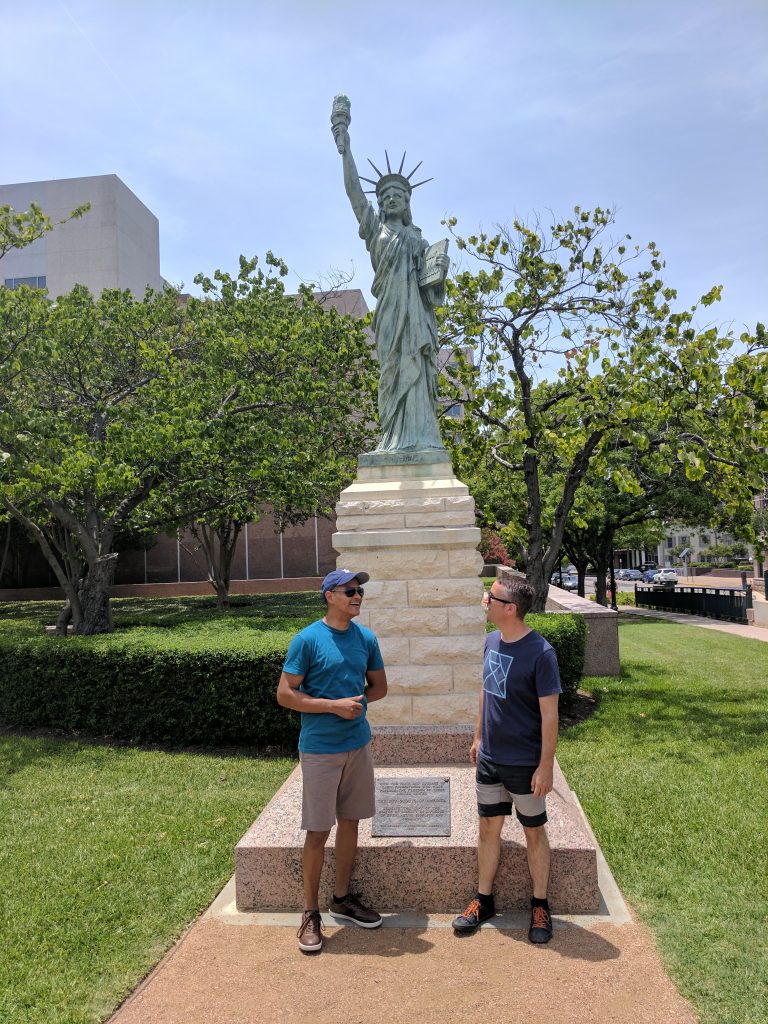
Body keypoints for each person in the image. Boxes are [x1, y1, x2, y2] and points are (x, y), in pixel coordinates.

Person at [276, 568, 388, 954]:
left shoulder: (366, 638)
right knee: (318, 830)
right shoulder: (307, 640)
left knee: (351, 823)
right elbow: (285, 694)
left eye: (360, 591)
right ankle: (310, 913)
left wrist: (356, 704)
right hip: (321, 749)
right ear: (329, 595)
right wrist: (332, 707)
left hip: (358, 745)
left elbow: (379, 687)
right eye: (350, 591)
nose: (358, 596)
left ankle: (342, 898)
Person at [331, 101, 450, 453]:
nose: (392, 198)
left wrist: (437, 276)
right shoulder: (374, 230)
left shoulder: (418, 239)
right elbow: (354, 193)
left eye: (399, 194)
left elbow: (430, 290)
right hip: (389, 316)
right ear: (380, 202)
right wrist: (345, 145)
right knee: (391, 372)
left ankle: (422, 438)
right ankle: (392, 439)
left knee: (417, 372)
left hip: (416, 317)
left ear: (407, 201)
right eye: (386, 195)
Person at [453, 575, 561, 944]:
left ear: (510, 609)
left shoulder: (541, 653)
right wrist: (478, 736)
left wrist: (546, 765)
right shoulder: (490, 642)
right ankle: (483, 900)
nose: (486, 601)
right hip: (490, 759)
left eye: (492, 598)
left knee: (533, 832)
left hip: (524, 763)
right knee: (488, 829)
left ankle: (540, 905)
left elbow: (550, 715)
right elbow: (487, 690)